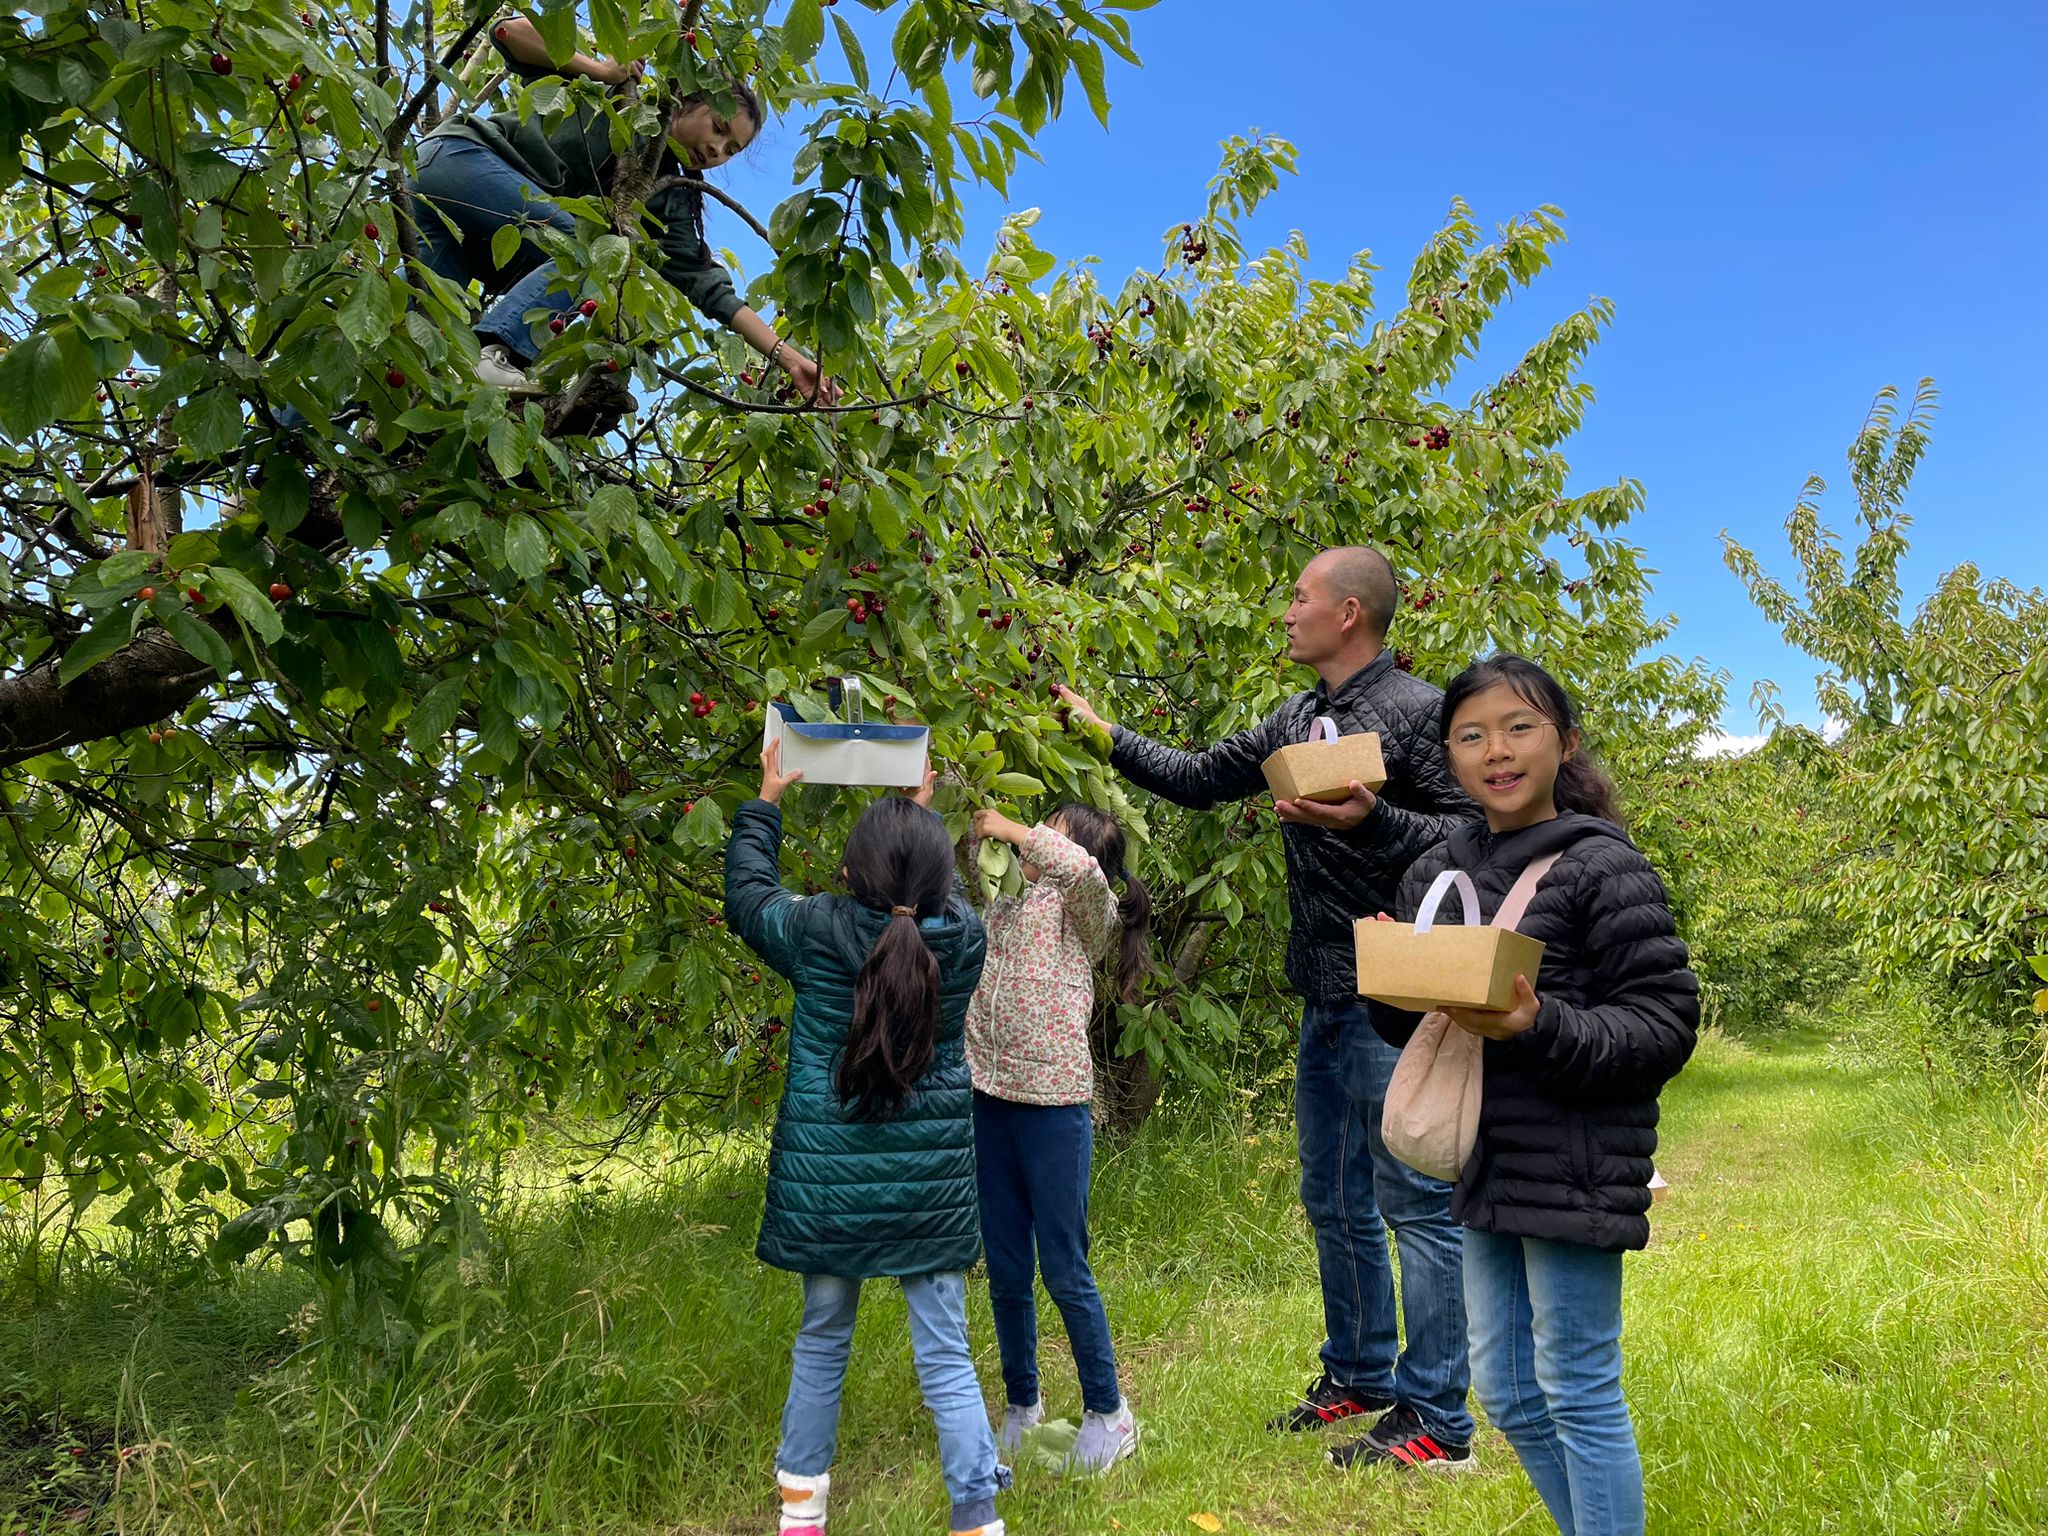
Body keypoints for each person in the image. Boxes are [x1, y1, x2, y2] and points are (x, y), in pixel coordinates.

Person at [1056, 544, 1483, 1471]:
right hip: (1322, 990)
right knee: (1333, 1196)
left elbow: (1472, 832)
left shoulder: (1418, 715)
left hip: (1398, 993)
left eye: (1298, 598)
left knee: (1414, 1200)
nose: (1284, 612)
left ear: (1349, 616)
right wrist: (1100, 733)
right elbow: (1200, 776)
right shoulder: (1295, 718)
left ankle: (1439, 1421)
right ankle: (1362, 1375)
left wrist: (1375, 821)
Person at [1367, 654, 1698, 1532]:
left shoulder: (1602, 868)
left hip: (1579, 1158)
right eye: (1471, 735)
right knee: (1510, 1396)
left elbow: (1664, 1025)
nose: (1496, 751)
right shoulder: (1439, 873)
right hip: (1488, 1157)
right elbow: (1415, 1033)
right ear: (1449, 755)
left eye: (1519, 729)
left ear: (1565, 744)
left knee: (1579, 1390)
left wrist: (1536, 1026)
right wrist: (1391, 979)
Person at [724, 748, 1007, 1536]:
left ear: (847, 876)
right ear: (940, 879)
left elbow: (749, 898)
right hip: (929, 1193)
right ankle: (978, 1519)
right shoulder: (965, 941)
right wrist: (916, 819)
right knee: (946, 1356)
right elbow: (920, 907)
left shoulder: (816, 931)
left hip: (828, 1194)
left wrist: (767, 803)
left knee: (821, 1342)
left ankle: (803, 1515)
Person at [416, 17, 839, 400]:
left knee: (421, 343)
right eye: (718, 127)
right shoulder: (620, 98)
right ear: (687, 102)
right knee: (597, 254)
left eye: (731, 150)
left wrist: (788, 358)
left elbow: (709, 287)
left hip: (456, 231)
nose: (716, 150)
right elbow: (507, 33)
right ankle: (500, 354)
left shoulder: (665, 197)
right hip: (458, 159)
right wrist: (601, 71)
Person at [963, 803, 1152, 1474]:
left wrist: (1019, 833)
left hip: (1054, 1108)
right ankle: (1022, 1404)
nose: (1034, 834)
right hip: (990, 1098)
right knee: (1008, 1269)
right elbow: (971, 862)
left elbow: (1079, 871)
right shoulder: (1011, 902)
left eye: (1050, 826)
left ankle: (1110, 1412)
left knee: (1063, 1267)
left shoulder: (1085, 909)